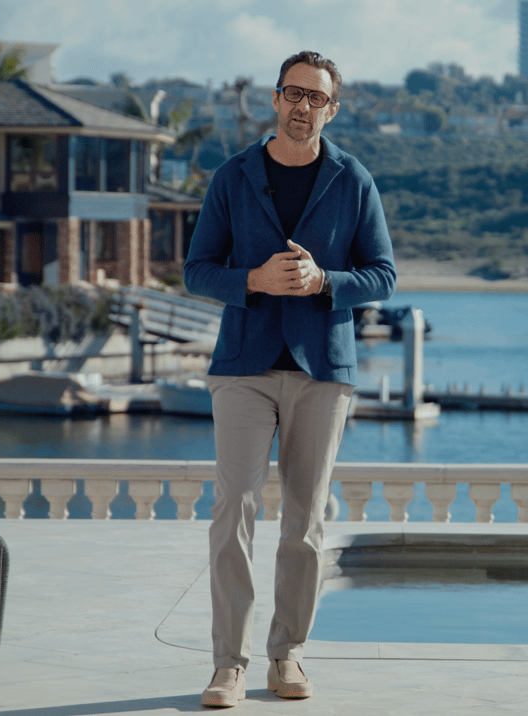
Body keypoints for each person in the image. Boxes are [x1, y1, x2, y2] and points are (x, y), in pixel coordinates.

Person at [182, 50, 395, 707]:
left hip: (322, 369)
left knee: (304, 523)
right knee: (233, 513)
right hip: (243, 368)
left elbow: (383, 275)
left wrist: (324, 280)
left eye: (316, 97)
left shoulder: (354, 180)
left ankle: (288, 656)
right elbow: (196, 270)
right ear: (275, 99)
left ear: (332, 109)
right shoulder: (233, 176)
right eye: (293, 93)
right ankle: (228, 665)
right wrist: (253, 279)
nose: (303, 106)